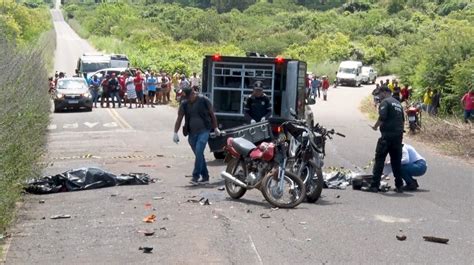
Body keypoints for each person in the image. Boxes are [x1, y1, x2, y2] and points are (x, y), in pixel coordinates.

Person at [173, 87, 220, 186]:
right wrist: (175, 132)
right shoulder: (184, 104)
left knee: (199, 151)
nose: (187, 99)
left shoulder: (204, 101)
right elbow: (179, 118)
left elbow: (212, 114)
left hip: (204, 130)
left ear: (193, 94)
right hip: (191, 133)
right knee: (199, 155)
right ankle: (205, 177)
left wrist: (215, 128)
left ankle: (195, 176)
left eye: (188, 97)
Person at [366, 86, 405, 193]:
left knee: (379, 160)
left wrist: (375, 126)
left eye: (379, 93)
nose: (378, 96)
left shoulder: (385, 102)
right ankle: (399, 186)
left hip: (387, 137)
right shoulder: (398, 103)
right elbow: (402, 120)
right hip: (398, 137)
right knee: (396, 162)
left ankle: (374, 185)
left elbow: (382, 117)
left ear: (385, 92)